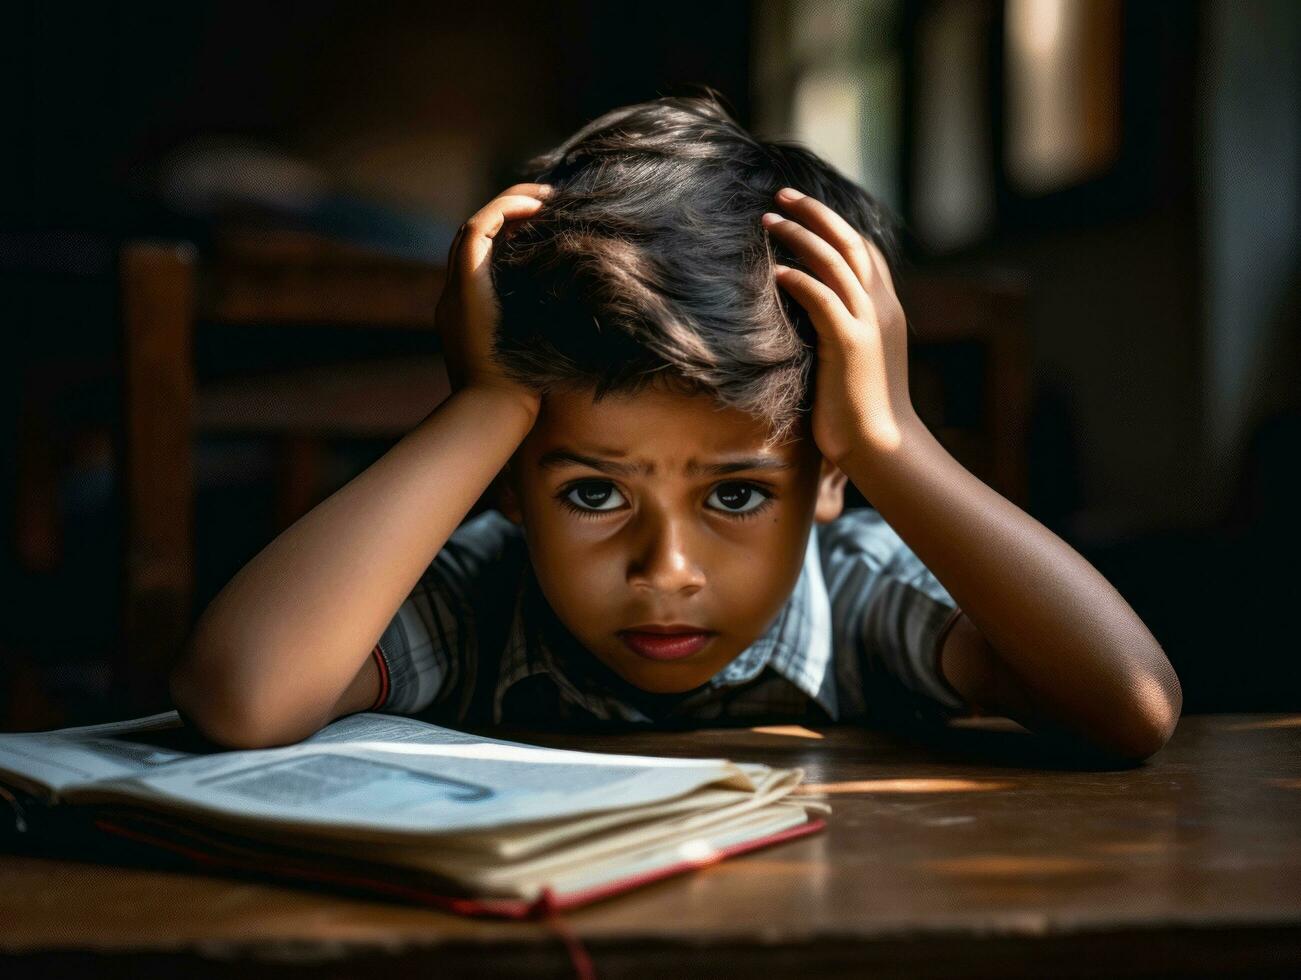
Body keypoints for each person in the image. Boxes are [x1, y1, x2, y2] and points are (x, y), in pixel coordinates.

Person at [168, 92, 1181, 763]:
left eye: (735, 492)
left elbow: (1129, 704)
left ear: (825, 475)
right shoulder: (482, 599)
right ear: (512, 480)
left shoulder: (859, 593)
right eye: (593, 491)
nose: (667, 568)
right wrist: (481, 405)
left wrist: (890, 441)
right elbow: (242, 700)